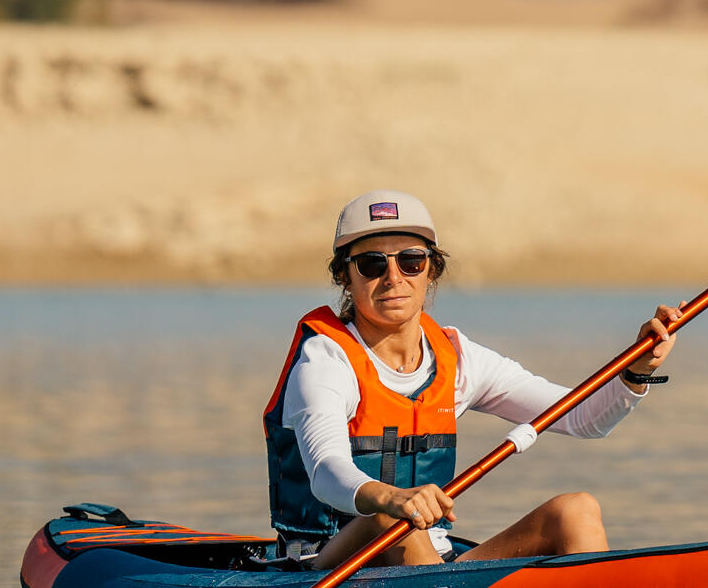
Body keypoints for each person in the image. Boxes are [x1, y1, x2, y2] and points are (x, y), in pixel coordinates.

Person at [264, 191, 683, 567]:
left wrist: (637, 369)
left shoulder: (457, 358)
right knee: (394, 519)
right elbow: (326, 471)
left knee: (576, 510)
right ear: (344, 276)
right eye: (372, 264)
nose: (394, 277)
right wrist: (391, 498)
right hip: (327, 564)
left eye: (411, 260)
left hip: (432, 555)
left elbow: (585, 418)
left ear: (432, 271)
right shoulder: (324, 360)